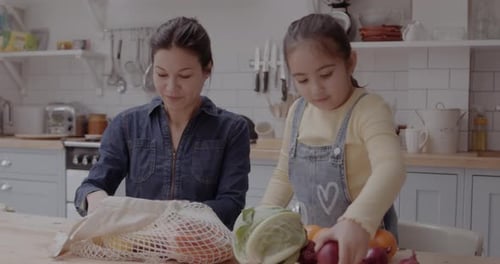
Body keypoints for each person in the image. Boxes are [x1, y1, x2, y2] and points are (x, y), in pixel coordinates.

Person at [75, 17, 250, 229]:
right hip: (142, 251)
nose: (170, 87)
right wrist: (95, 199)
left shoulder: (232, 129)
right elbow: (92, 185)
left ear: (207, 70)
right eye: (161, 74)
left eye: (184, 76)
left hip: (201, 251)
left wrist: (172, 220)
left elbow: (231, 205)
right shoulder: (126, 125)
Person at [260, 13, 405, 263]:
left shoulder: (369, 109)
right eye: (302, 80)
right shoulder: (297, 111)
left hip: (369, 245)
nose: (315, 89)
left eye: (326, 74)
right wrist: (260, 220)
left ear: (350, 63)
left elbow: (391, 168)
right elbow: (284, 176)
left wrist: (357, 221)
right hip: (314, 248)